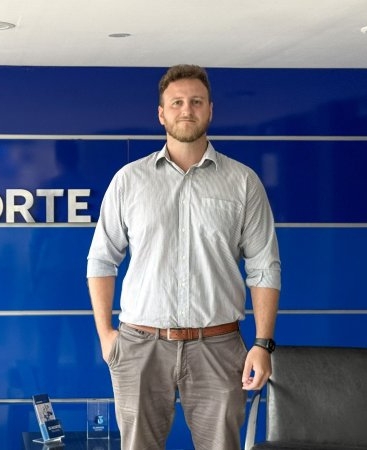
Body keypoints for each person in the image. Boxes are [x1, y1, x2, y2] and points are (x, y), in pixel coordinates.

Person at [86, 64, 281, 450]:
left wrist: (263, 344)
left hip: (218, 346)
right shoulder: (130, 180)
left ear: (210, 110)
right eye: (176, 103)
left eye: (196, 101)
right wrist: (106, 335)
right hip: (139, 345)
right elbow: (101, 260)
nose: (186, 109)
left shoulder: (243, 182)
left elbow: (264, 266)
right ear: (161, 114)